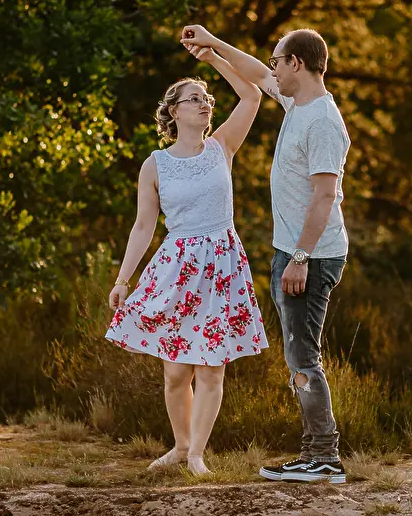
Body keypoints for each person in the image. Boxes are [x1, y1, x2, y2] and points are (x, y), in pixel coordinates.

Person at [179, 24, 351, 484]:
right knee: (299, 356)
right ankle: (318, 453)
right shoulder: (298, 102)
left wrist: (299, 258)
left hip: (309, 258)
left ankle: (323, 457)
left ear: (296, 63)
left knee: (302, 358)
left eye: (277, 60)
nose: (271, 67)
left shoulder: (324, 123)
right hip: (293, 253)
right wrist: (213, 45)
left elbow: (325, 198)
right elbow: (254, 73)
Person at [104, 42, 267, 476]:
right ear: (173, 111)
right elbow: (143, 227)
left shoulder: (222, 147)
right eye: (194, 98)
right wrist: (123, 280)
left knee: (211, 370)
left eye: (207, 98)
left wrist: (212, 56)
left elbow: (252, 95)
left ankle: (196, 456)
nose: (205, 104)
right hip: (176, 269)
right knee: (176, 374)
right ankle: (179, 447)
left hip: (221, 266)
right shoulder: (154, 165)